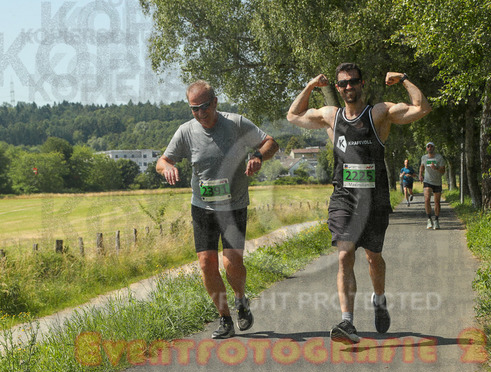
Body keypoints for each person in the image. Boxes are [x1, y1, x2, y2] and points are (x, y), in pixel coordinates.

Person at [287, 63, 431, 343]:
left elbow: (422, 108)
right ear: (338, 88)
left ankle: (379, 299)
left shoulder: (378, 113)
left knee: (373, 257)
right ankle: (347, 322)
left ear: (362, 84)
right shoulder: (332, 116)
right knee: (344, 255)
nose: (348, 87)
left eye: (353, 81)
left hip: (374, 200)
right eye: (343, 83)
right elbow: (293, 115)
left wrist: (403, 79)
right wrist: (310, 86)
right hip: (344, 198)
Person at [157, 80, 278, 339]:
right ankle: (225, 319)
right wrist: (167, 167)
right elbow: (163, 160)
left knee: (231, 262)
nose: (200, 113)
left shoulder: (236, 124)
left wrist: (258, 156)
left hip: (234, 205)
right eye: (194, 109)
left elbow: (270, 142)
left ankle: (240, 299)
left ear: (215, 102)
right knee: (206, 263)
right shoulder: (186, 132)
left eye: (204, 107)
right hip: (202, 206)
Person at [418, 142, 446, 230]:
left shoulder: (439, 157)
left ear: (434, 148)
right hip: (427, 181)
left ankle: (436, 220)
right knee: (427, 199)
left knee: (437, 202)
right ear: (426, 148)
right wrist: (420, 175)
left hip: (437, 182)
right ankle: (429, 219)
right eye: (428, 146)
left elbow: (443, 170)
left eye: (431, 146)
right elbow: (422, 167)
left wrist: (436, 168)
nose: (429, 148)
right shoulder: (424, 157)